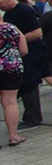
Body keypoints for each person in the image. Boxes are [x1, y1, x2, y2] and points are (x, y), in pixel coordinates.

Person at [0, 0, 49, 132]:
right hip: (18, 56)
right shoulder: (9, 14)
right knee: (23, 85)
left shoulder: (23, 11)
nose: (0, 7)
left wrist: (14, 41)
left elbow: (37, 32)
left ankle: (33, 118)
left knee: (30, 83)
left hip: (31, 53)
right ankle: (29, 116)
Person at [0, 12, 28, 146]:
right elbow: (24, 50)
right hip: (11, 67)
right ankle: (13, 136)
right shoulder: (12, 28)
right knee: (10, 102)